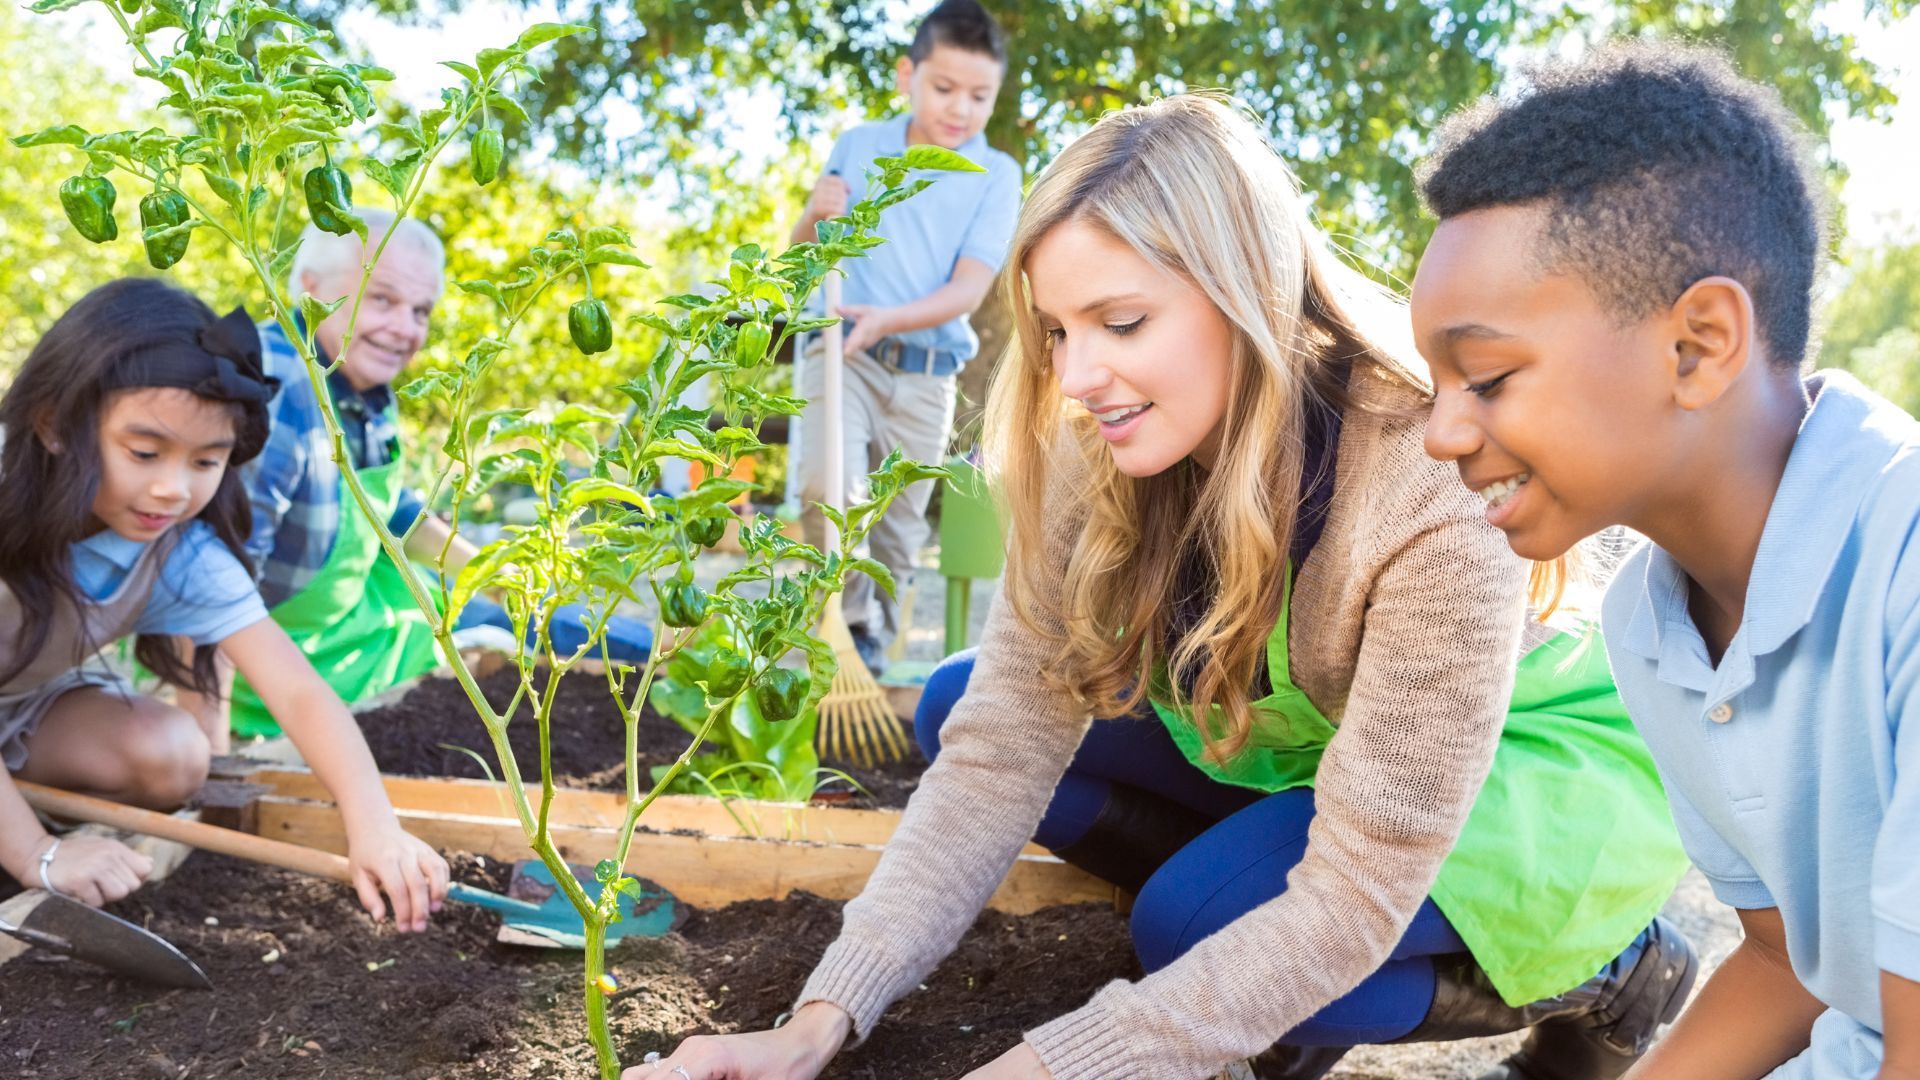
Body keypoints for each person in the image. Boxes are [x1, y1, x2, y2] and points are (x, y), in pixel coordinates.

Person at [633, 95, 1696, 1080]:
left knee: (1189, 927)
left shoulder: (1423, 476)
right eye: (1057, 330)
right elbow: (1004, 744)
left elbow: (1363, 882)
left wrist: (1063, 1062)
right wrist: (818, 1019)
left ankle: (1613, 973)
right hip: (1326, 745)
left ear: (1245, 291)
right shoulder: (1096, 443)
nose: (1078, 373)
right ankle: (1259, 948)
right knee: (964, 702)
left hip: (1519, 762)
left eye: (1121, 322)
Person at [1415, 43, 1919, 1080]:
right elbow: (1789, 964)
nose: (1441, 433)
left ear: (1698, 345)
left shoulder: (1906, 562)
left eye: (1487, 376)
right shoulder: (1649, 621)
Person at [0, 278, 448, 929]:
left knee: (177, 755)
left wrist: (376, 828)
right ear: (53, 424)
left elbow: (298, 692)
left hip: (25, 703)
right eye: (145, 452)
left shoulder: (179, 551)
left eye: (205, 462)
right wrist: (38, 857)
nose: (171, 489)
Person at [234, 209, 650, 739]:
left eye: (421, 310)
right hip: (278, 682)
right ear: (310, 288)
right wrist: (209, 740)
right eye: (381, 298)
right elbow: (216, 585)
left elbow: (394, 514)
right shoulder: (274, 391)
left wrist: (509, 587)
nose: (406, 329)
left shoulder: (359, 385)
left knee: (525, 629)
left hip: (354, 632)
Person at [789, 0, 1021, 670]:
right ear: (906, 76)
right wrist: (813, 213)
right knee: (826, 489)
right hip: (841, 354)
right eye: (944, 88)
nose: (960, 109)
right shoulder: (860, 146)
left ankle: (873, 653)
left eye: (980, 96)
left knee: (897, 531)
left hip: (927, 370)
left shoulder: (995, 175)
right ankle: (849, 633)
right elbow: (805, 250)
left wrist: (888, 319)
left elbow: (968, 291)